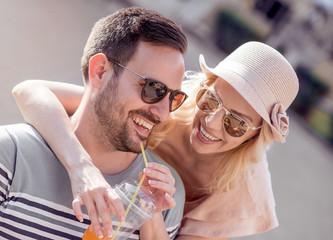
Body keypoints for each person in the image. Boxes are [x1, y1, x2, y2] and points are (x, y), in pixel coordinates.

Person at [12, 41, 299, 239]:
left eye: (236, 123)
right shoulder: (164, 107)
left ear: (255, 135)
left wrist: (150, 209)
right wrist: (81, 167)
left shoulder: (239, 191)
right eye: (210, 101)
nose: (210, 123)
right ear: (203, 86)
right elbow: (29, 91)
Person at [0, 7, 188, 240]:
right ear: (100, 72)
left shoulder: (164, 197)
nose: (163, 113)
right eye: (154, 89)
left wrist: (148, 214)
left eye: (173, 97)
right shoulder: (10, 154)